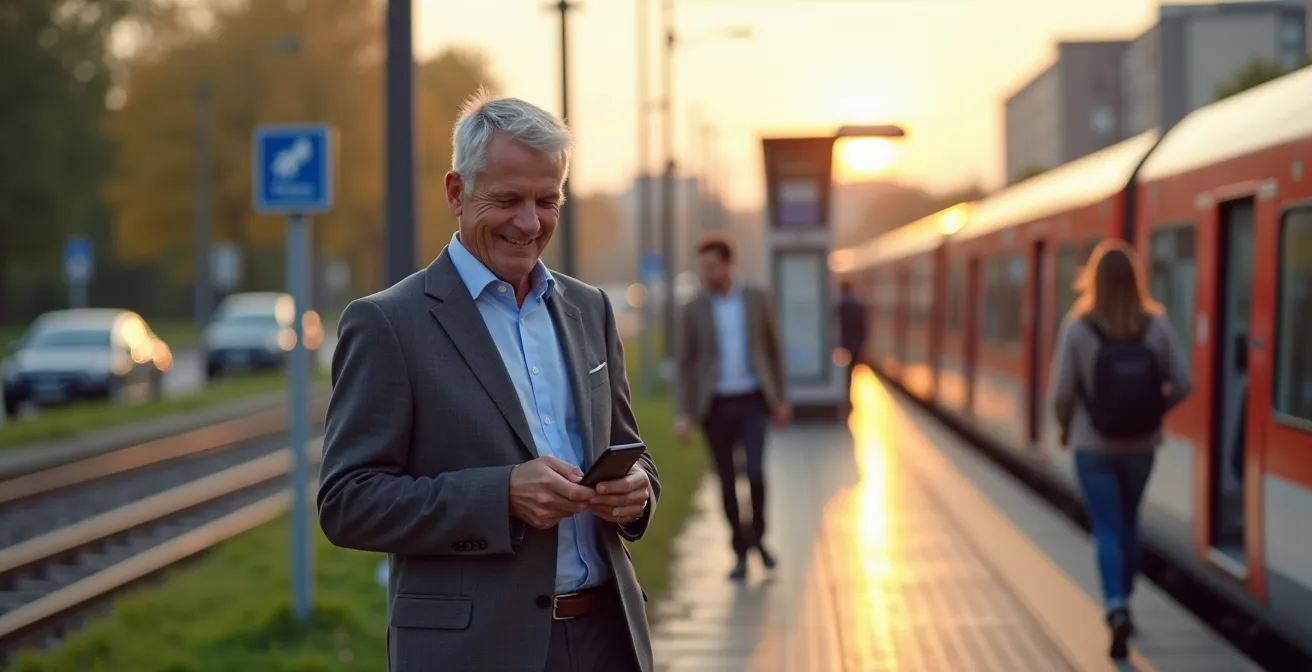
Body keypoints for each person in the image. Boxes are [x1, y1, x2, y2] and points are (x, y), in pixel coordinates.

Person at [317, 92, 660, 672]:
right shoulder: (387, 324)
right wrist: (500, 495)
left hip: (608, 640)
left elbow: (633, 454)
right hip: (472, 652)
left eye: (546, 202)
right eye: (507, 200)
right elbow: (347, 502)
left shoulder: (591, 309)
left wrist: (636, 494)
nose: (529, 223)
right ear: (456, 193)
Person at [1049, 239, 1192, 661]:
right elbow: (1183, 383)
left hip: (1092, 446)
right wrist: (1153, 413)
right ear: (1135, 279)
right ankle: (1125, 597)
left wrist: (1065, 427)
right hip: (1141, 446)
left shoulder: (1077, 327)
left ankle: (1116, 605)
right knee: (1129, 520)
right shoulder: (1157, 325)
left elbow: (1061, 394)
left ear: (1092, 279)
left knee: (1106, 526)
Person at [674, 234, 790, 580]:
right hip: (715, 406)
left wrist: (782, 398)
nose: (706, 273)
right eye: (702, 267)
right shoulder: (692, 308)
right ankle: (740, 552)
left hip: (754, 400)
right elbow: (684, 364)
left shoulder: (757, 299)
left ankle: (759, 537)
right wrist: (683, 414)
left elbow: (774, 349)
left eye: (712, 266)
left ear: (728, 264)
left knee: (755, 474)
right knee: (726, 482)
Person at [836, 280, 868, 404]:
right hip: (855, 346)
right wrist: (863, 346)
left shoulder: (839, 306)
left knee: (843, 373)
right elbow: (863, 328)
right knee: (851, 372)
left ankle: (845, 395)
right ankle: (849, 395)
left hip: (842, 346)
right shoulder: (858, 306)